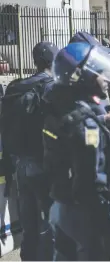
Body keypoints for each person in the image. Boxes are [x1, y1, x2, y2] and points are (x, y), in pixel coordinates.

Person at [42, 41, 110, 260]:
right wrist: (104, 219)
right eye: (100, 74)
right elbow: (92, 177)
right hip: (86, 212)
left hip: (63, 204)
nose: (106, 79)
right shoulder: (86, 124)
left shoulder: (62, 105)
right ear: (84, 78)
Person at [0, 42, 59, 261]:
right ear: (53, 61)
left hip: (19, 163)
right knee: (48, 222)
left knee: (28, 222)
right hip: (42, 162)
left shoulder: (16, 87)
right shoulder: (51, 87)